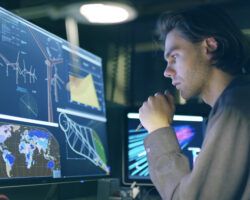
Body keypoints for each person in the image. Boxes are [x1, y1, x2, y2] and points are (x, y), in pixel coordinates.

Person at [138, 4, 250, 200]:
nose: (167, 72)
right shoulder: (234, 101)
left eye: (174, 57)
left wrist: (157, 129)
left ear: (210, 46)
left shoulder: (235, 108)